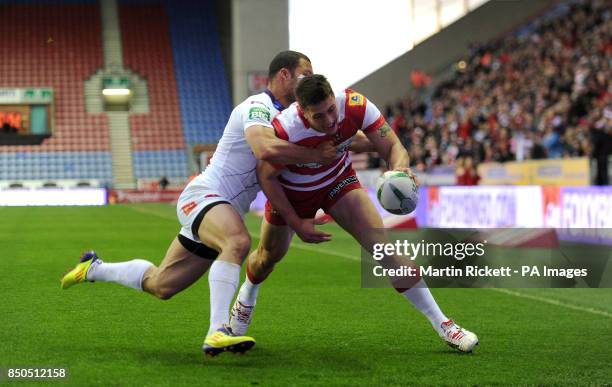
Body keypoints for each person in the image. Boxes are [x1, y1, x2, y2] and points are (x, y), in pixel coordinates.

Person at [60, 51, 342, 357]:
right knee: (238, 241)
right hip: (205, 196)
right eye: (304, 74)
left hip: (220, 212)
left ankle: (93, 268)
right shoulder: (257, 106)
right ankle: (218, 331)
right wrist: (315, 156)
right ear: (284, 75)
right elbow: (263, 147)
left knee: (161, 285)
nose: (309, 81)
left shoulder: (294, 121)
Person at [229, 75, 479, 353]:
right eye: (319, 116)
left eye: (330, 110)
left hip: (339, 183)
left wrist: (399, 170)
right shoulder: (285, 129)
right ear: (302, 111)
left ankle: (443, 324)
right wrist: (296, 221)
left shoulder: (354, 104)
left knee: (384, 250)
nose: (329, 120)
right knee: (267, 258)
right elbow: (267, 177)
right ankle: (247, 295)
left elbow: (394, 147)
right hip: (292, 194)